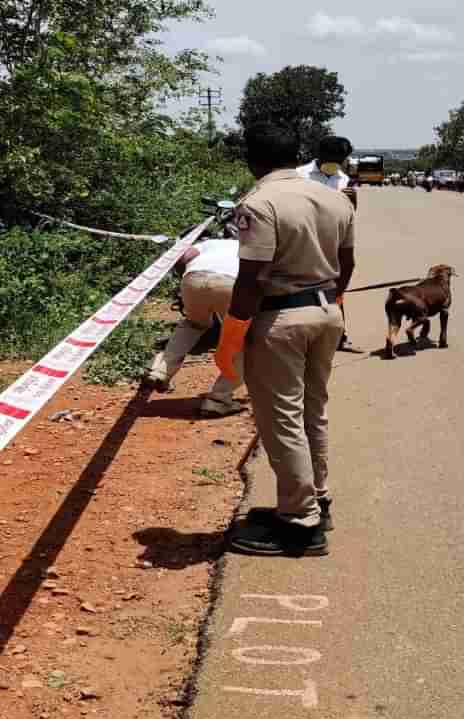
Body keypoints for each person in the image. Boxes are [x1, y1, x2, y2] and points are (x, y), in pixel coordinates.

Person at [214, 124, 355, 556]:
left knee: (283, 420)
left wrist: (232, 334)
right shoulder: (336, 198)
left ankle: (299, 523)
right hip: (327, 312)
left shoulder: (258, 203)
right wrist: (327, 299)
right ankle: (317, 500)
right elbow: (347, 263)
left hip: (280, 319)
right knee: (313, 412)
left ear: (252, 159)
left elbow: (252, 278)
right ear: (296, 155)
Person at [145, 236, 245, 417]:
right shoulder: (253, 245)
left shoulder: (210, 243)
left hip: (193, 277)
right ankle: (219, 399)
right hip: (230, 282)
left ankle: (161, 372)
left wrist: (181, 282)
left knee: (193, 324)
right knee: (244, 343)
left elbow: (183, 256)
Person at [297, 135, 359, 353]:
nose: (337, 163)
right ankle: (302, 337)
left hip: (331, 241)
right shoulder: (299, 175)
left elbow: (349, 214)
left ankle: (340, 336)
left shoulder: (343, 180)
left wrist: (351, 202)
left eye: (341, 159)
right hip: (302, 239)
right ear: (320, 155)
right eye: (333, 158)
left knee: (334, 288)